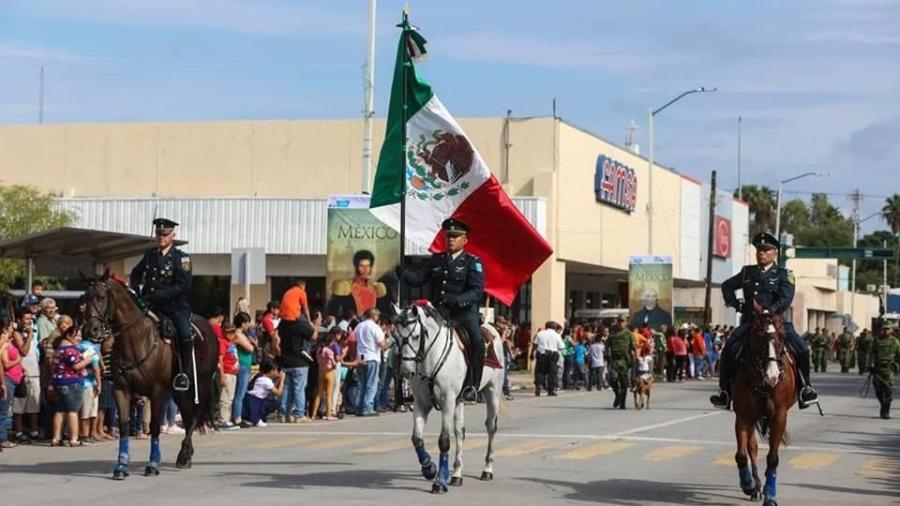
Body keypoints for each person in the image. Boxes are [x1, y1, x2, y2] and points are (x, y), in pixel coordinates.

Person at [711, 232, 818, 409]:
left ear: (775, 252)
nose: (761, 253)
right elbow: (727, 286)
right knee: (728, 350)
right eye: (759, 250)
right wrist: (738, 305)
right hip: (750, 323)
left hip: (776, 322)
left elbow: (786, 297)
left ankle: (805, 388)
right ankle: (724, 392)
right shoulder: (747, 272)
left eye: (766, 250)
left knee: (802, 349)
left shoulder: (784, 274)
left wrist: (770, 310)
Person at [401, 218, 485, 401]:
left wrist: (458, 300)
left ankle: (473, 385)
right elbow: (419, 279)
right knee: (414, 337)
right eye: (448, 237)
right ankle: (414, 384)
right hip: (439, 313)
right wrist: (403, 273)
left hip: (463, 314)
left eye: (455, 237)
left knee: (477, 342)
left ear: (465, 240)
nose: (451, 240)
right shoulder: (437, 260)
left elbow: (477, 291)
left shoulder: (472, 262)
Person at [129, 218, 194, 392]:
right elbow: (136, 273)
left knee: (185, 334)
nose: (161, 237)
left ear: (173, 235)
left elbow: (184, 285)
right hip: (151, 306)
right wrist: (136, 290)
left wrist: (159, 294)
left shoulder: (182, 258)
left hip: (174, 307)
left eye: (165, 234)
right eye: (159, 234)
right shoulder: (150, 255)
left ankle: (183, 374)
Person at [50, 326, 94, 446]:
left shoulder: (58, 349)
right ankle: (74, 438)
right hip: (72, 383)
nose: (79, 338)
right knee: (73, 411)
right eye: (77, 336)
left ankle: (56, 438)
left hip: (59, 382)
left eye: (80, 336)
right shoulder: (71, 349)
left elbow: (56, 365)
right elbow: (75, 366)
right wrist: (88, 360)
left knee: (60, 410)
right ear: (69, 336)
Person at [327, 249, 389, 318]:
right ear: (356, 267)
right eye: (362, 266)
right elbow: (332, 311)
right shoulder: (345, 287)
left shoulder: (377, 288)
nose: (365, 270)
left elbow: (384, 313)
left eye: (368, 266)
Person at [354, 308, 390, 416]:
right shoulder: (375, 327)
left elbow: (353, 339)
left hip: (361, 356)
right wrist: (389, 342)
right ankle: (367, 407)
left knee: (361, 384)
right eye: (377, 316)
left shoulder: (359, 326)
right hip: (372, 356)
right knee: (371, 384)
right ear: (374, 316)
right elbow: (382, 345)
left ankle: (359, 406)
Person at [12, 309, 41, 443]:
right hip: (22, 373)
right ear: (19, 320)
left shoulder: (34, 333)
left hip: (34, 372)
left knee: (34, 404)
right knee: (19, 406)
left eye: (31, 318)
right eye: (26, 318)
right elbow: (23, 351)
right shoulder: (17, 333)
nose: (29, 321)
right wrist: (29, 335)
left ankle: (34, 431)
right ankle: (18, 432)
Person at [310, 327, 341, 421]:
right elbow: (334, 363)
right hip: (329, 372)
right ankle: (329, 414)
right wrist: (334, 364)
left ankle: (313, 414)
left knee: (319, 394)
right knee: (329, 394)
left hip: (321, 371)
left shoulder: (319, 351)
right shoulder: (329, 351)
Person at [231, 312, 256, 427]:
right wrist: (250, 343)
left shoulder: (243, 334)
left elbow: (254, 344)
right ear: (242, 323)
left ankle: (239, 415)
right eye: (247, 323)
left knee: (241, 392)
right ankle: (237, 418)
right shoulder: (238, 334)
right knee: (239, 393)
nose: (248, 326)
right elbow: (250, 348)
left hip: (246, 365)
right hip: (242, 365)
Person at [870, 323, 900, 419]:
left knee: (888, 391)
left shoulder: (895, 342)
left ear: (891, 330)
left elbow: (899, 356)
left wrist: (896, 366)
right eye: (884, 329)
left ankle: (886, 411)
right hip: (878, 369)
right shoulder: (877, 341)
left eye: (888, 329)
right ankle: (883, 404)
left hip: (889, 369)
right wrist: (870, 365)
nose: (886, 331)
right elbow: (871, 354)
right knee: (878, 391)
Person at [607, 315, 637, 410]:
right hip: (614, 360)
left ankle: (622, 403)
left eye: (623, 321)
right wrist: (607, 355)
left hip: (625, 361)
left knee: (624, 383)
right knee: (612, 379)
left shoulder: (629, 334)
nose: (621, 323)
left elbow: (634, 347)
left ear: (626, 322)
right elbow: (607, 345)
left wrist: (635, 359)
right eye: (619, 321)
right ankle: (617, 395)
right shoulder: (612, 334)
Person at [243, 361, 285, 427]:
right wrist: (282, 379)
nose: (276, 372)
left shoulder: (259, 376)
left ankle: (257, 417)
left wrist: (278, 380)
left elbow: (272, 390)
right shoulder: (265, 380)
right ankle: (255, 419)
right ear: (271, 371)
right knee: (276, 402)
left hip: (251, 399)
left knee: (272, 401)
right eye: (275, 370)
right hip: (254, 400)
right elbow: (278, 393)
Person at [217, 322, 240, 430]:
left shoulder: (231, 343)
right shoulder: (223, 342)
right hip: (226, 373)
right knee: (225, 398)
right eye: (229, 332)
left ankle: (227, 419)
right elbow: (220, 359)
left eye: (233, 332)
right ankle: (223, 420)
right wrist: (221, 374)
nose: (231, 334)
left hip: (233, 373)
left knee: (229, 398)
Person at [532, 322, 564, 396]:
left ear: (546, 326)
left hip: (541, 354)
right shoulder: (556, 335)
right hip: (552, 355)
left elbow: (535, 344)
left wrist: (532, 353)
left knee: (539, 371)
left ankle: (538, 386)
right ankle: (550, 390)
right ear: (555, 328)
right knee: (552, 373)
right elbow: (562, 346)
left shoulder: (540, 333)